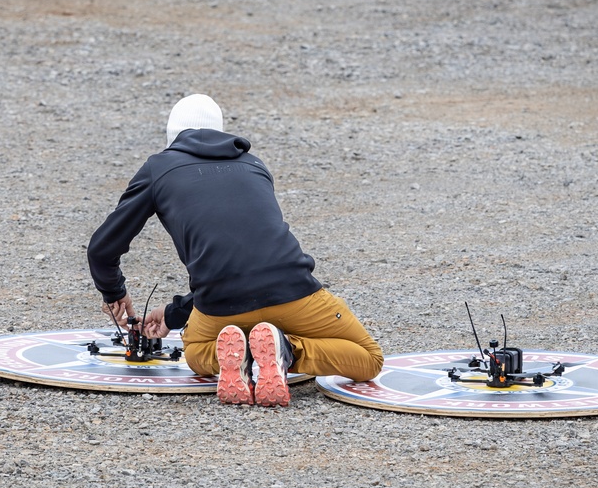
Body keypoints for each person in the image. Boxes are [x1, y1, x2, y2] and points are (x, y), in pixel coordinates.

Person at [87, 94, 383, 406]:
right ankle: (287, 351)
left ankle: (247, 353)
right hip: (294, 291)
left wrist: (114, 294)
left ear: (172, 136)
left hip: (221, 304)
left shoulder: (159, 168)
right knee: (368, 358)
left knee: (197, 352)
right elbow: (247, 254)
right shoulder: (255, 165)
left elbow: (101, 249)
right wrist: (173, 314)